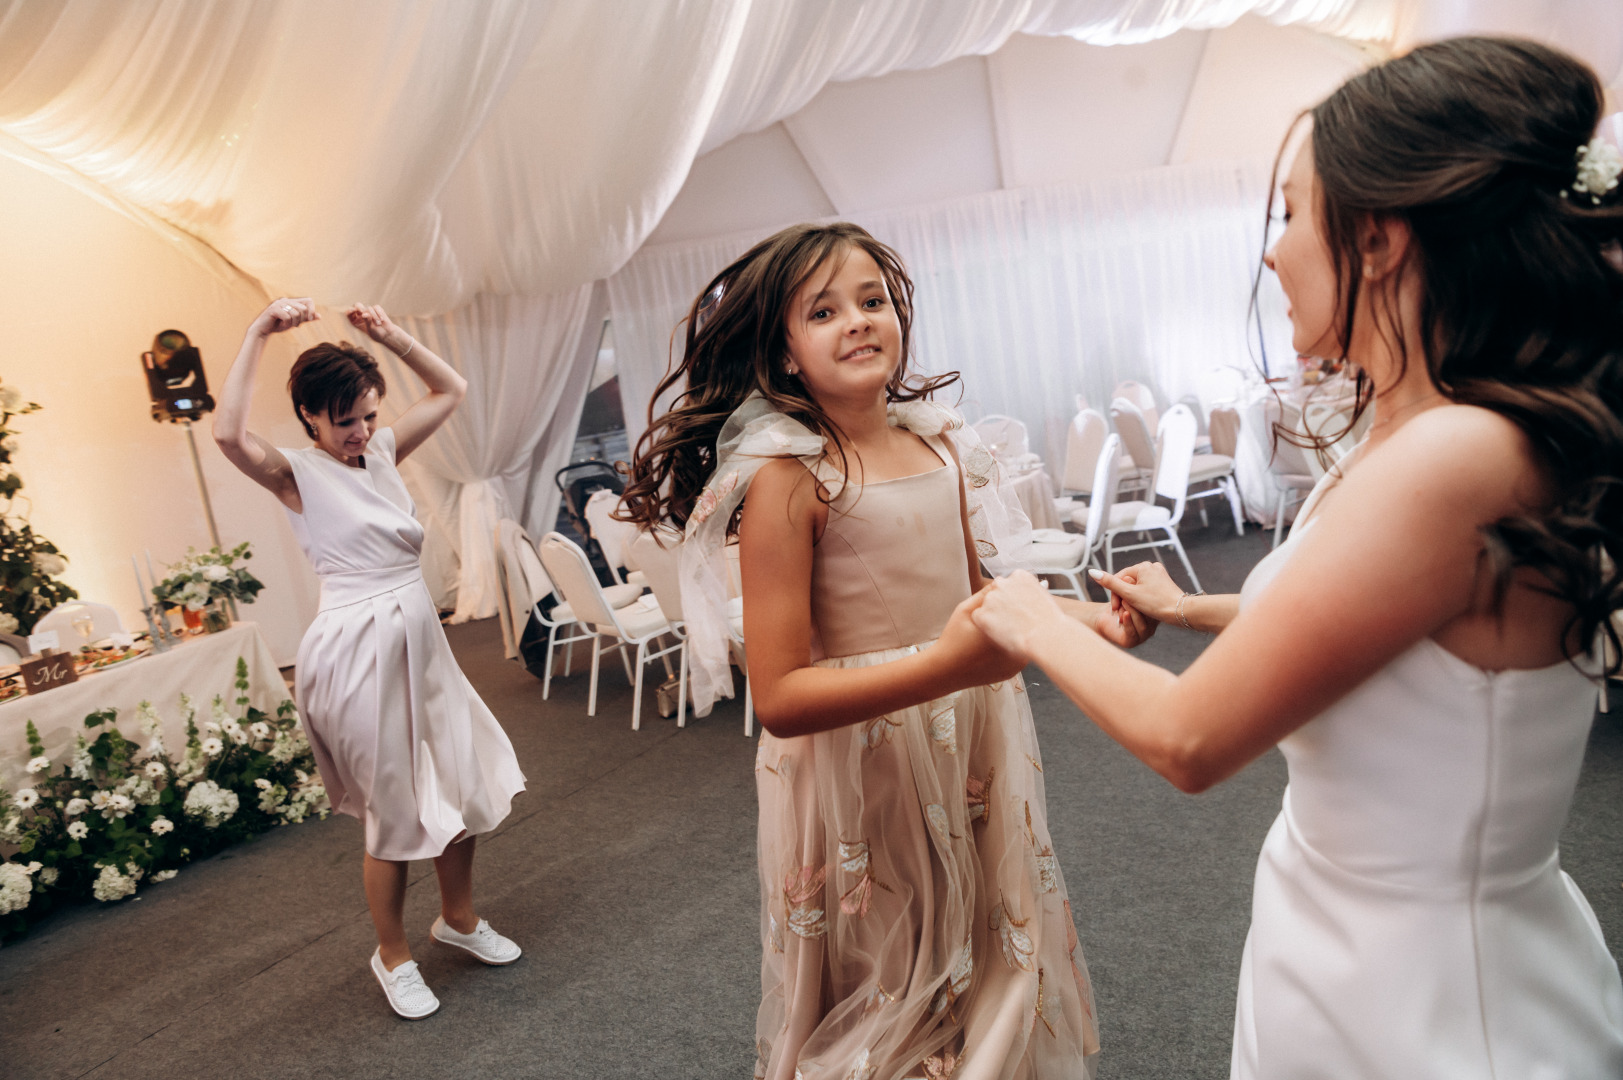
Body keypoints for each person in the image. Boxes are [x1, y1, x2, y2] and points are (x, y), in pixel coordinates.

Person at [969, 37, 1623, 1079]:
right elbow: (1394, 637)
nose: (1271, 253)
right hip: (1339, 947)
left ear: (1379, 240)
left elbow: (1190, 739)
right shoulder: (1427, 434)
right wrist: (1193, 611)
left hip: (1431, 996)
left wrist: (1030, 618)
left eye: (1287, 213)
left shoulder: (1461, 451)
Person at [620, 222, 1146, 1079]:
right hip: (867, 757)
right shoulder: (791, 475)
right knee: (895, 969)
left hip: (974, 729)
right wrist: (949, 666)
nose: (857, 321)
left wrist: (1088, 623)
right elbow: (783, 696)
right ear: (785, 353)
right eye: (822, 311)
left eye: (871, 301)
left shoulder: (937, 441)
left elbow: (982, 600)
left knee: (987, 934)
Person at [213, 299, 526, 1019]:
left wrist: (392, 337)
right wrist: (258, 329)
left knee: (460, 781)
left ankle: (459, 919)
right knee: (391, 811)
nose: (358, 432)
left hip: (419, 640)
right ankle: (392, 956)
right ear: (310, 418)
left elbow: (452, 390)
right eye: (343, 419)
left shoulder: (381, 451)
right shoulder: (295, 473)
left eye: (366, 415)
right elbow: (228, 434)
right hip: (354, 652)